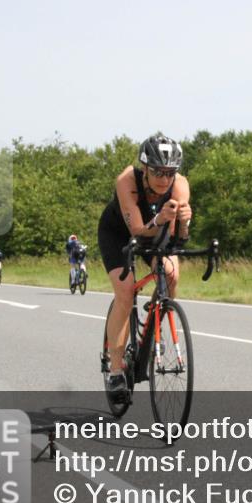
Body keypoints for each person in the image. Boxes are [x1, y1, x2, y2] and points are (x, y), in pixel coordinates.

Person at [97, 132, 192, 400]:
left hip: (156, 232)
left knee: (171, 275)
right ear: (144, 169)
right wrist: (161, 218)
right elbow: (137, 229)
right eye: (157, 172)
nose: (164, 179)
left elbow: (179, 237)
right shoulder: (127, 181)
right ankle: (116, 371)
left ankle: (152, 323)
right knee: (126, 292)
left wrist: (184, 221)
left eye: (169, 172)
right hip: (118, 233)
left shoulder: (179, 185)